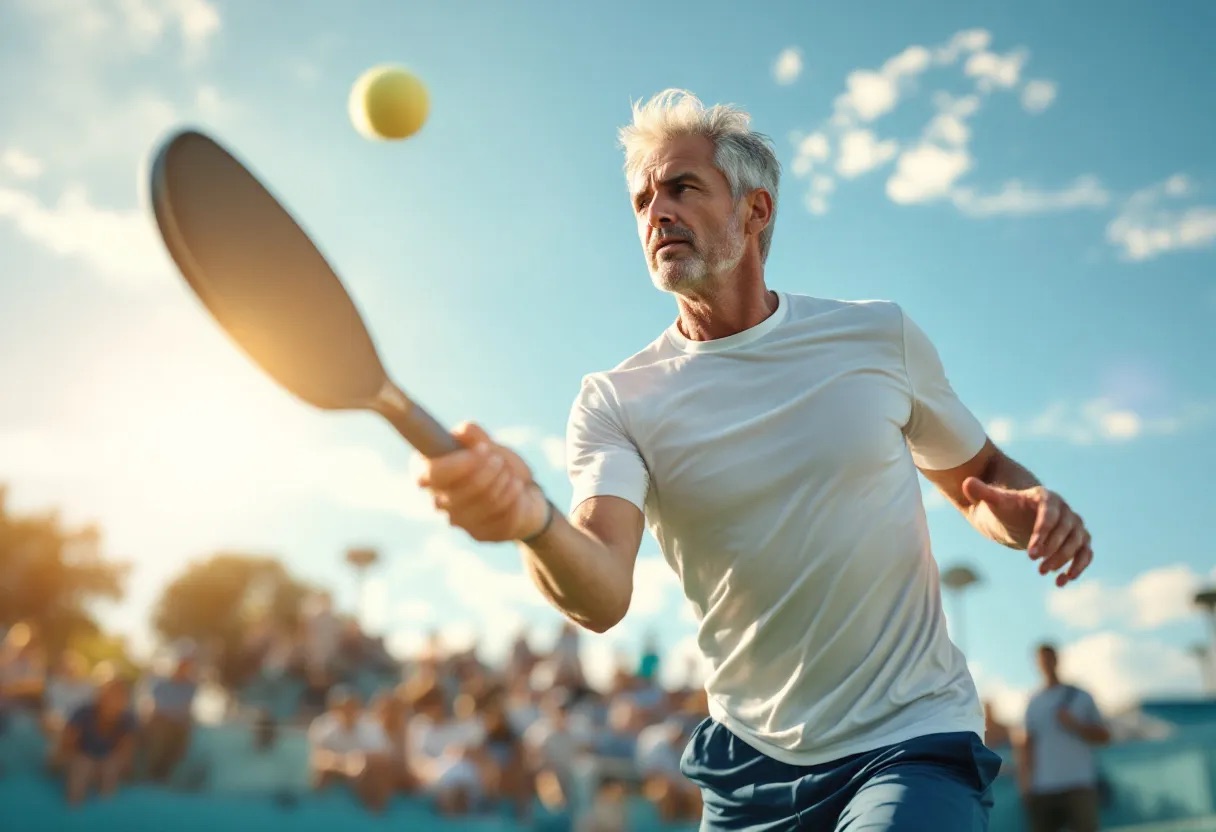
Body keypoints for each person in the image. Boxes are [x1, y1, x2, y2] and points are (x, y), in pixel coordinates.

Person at [416, 89, 1095, 831]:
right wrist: (532, 522)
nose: (656, 213)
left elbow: (985, 479)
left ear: (755, 210)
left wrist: (1024, 512)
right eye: (642, 200)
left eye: (681, 187)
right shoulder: (616, 400)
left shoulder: (877, 337)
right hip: (749, 772)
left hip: (910, 741)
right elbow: (603, 593)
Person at [1017, 644, 1110, 832]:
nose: (1046, 664)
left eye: (1049, 658)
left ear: (1057, 660)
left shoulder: (1081, 697)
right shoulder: (1033, 702)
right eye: (1042, 660)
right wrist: (1025, 785)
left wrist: (1075, 725)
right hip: (1043, 788)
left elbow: (1104, 736)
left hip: (1080, 784)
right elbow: (1027, 746)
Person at [62, 671, 137, 806]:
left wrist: (121, 764)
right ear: (101, 696)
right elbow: (68, 740)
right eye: (110, 695)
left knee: (110, 772)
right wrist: (71, 761)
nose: (114, 701)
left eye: (120, 697)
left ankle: (105, 809)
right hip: (82, 753)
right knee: (81, 772)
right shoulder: (84, 712)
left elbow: (127, 746)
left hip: (108, 756)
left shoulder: (127, 718)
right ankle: (74, 810)